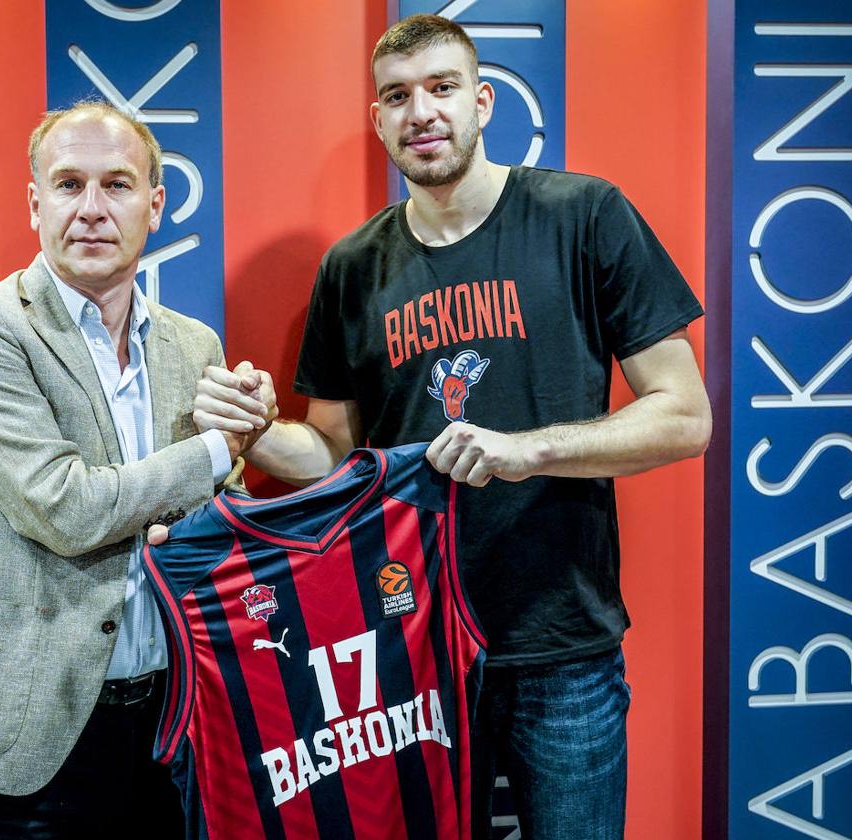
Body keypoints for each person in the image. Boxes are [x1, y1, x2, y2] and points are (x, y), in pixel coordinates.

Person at [182, 14, 711, 840]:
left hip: (560, 643)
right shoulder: (353, 267)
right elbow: (328, 451)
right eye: (397, 96)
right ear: (378, 121)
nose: (421, 112)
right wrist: (255, 434)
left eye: (442, 88)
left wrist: (528, 448)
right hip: (405, 645)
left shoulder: (583, 216)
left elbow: (685, 417)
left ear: (483, 101)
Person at [0, 101, 242, 839]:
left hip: (176, 730)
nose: (90, 209)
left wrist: (245, 447)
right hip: (31, 742)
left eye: (116, 185)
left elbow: (219, 518)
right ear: (34, 202)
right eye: (67, 184)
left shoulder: (194, 344)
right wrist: (218, 450)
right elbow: (67, 509)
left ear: (155, 206)